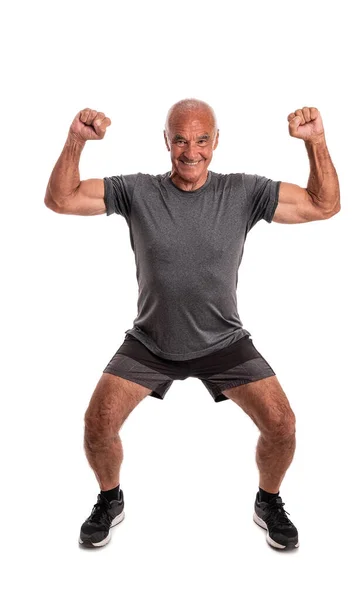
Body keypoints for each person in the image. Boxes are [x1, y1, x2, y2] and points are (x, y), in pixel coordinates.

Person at [44, 99, 340, 550]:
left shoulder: (243, 192)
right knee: (98, 421)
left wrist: (316, 142)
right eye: (180, 139)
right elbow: (60, 199)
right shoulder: (137, 191)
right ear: (166, 141)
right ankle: (110, 498)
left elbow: (324, 205)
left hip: (223, 341)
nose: (191, 150)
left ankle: (268, 501)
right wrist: (76, 141)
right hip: (151, 341)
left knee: (282, 423)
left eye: (202, 139)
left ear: (216, 142)